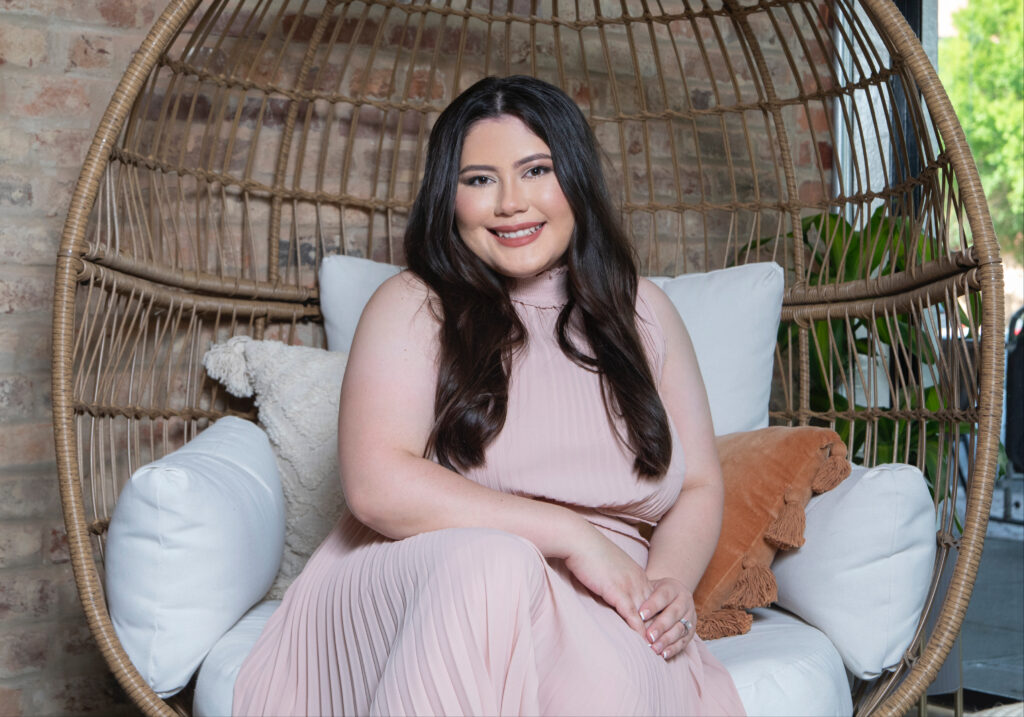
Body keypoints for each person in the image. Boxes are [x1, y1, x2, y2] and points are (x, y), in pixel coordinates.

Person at [233, 75, 745, 716]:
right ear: (448, 198)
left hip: (605, 589)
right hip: (435, 574)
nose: (510, 202)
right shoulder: (414, 303)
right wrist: (572, 536)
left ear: (577, 180)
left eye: (535, 170)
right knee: (494, 562)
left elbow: (698, 484)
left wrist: (668, 584)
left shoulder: (645, 311)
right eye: (478, 180)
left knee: (607, 690)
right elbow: (375, 484)